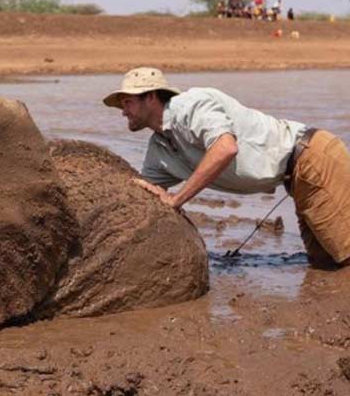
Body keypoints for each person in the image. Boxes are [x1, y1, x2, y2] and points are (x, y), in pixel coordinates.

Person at [103, 67, 350, 268]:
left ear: (151, 97)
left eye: (127, 102)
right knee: (323, 262)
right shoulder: (158, 149)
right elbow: (143, 193)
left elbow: (225, 148)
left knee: (345, 257)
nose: (123, 112)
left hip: (312, 158)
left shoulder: (190, 106)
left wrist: (177, 199)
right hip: (295, 179)